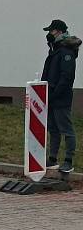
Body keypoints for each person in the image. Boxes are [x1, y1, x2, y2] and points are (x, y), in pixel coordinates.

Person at [41, 19, 80, 178]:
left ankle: (68, 161)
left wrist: (54, 93)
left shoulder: (66, 52)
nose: (49, 34)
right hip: (51, 96)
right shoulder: (56, 50)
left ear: (58, 31)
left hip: (60, 98)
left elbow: (66, 77)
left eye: (51, 31)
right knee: (53, 129)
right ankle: (53, 158)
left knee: (66, 129)